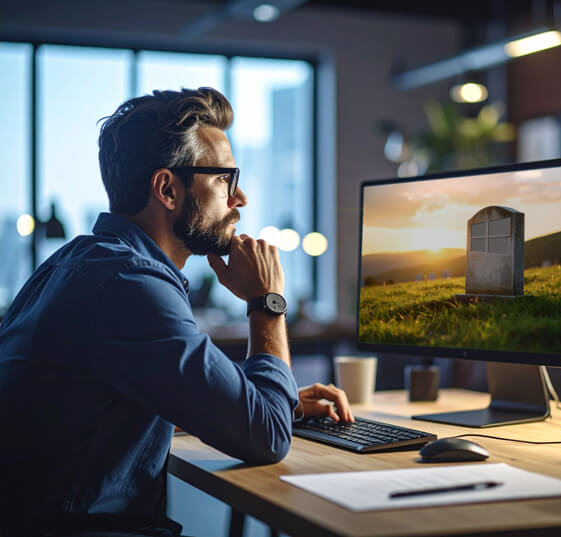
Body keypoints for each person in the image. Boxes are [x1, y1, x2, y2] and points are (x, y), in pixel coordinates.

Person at [0, 87, 353, 537]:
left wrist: (271, 402)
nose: (239, 198)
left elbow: (158, 393)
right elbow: (267, 438)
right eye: (225, 179)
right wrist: (266, 302)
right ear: (167, 188)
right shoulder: (131, 285)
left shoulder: (78, 262)